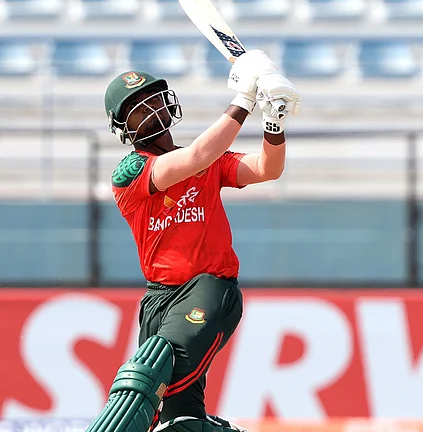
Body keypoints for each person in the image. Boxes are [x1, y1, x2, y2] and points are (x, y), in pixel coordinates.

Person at [85, 49, 301, 432]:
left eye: (153, 100)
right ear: (122, 126)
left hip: (209, 287)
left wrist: (274, 121)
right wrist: (245, 98)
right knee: (178, 420)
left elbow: (269, 168)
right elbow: (197, 155)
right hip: (159, 298)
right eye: (136, 108)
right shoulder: (130, 172)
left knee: (150, 370)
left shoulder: (210, 162)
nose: (149, 110)